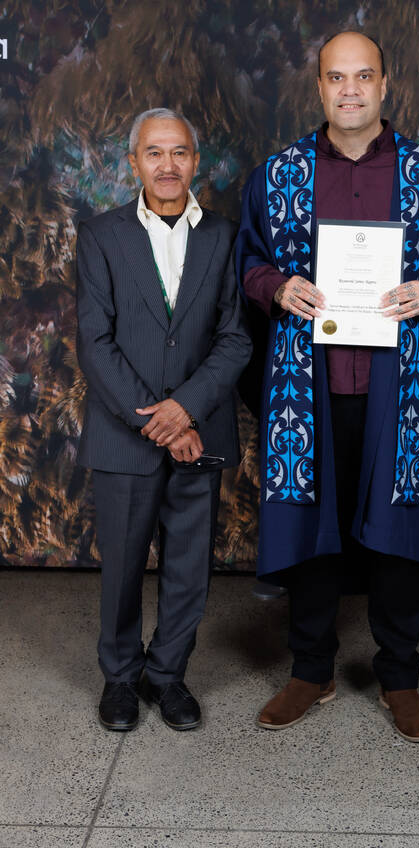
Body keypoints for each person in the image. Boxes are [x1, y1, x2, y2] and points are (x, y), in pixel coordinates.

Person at [236, 31, 419, 742]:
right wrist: (276, 286)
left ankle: (399, 676)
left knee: (396, 529)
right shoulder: (276, 175)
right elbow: (247, 260)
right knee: (312, 526)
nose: (350, 90)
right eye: (336, 77)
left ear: (384, 83)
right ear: (318, 87)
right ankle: (310, 670)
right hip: (304, 386)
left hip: (398, 386)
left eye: (363, 76)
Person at [76, 108, 251, 732]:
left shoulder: (225, 237)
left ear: (196, 161)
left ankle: (168, 675)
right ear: (134, 163)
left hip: (201, 429)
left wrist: (187, 409)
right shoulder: (101, 235)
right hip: (125, 435)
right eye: (155, 153)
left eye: (179, 152)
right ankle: (121, 678)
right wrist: (161, 422)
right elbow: (96, 343)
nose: (168, 165)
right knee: (122, 567)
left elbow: (235, 338)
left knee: (189, 568)